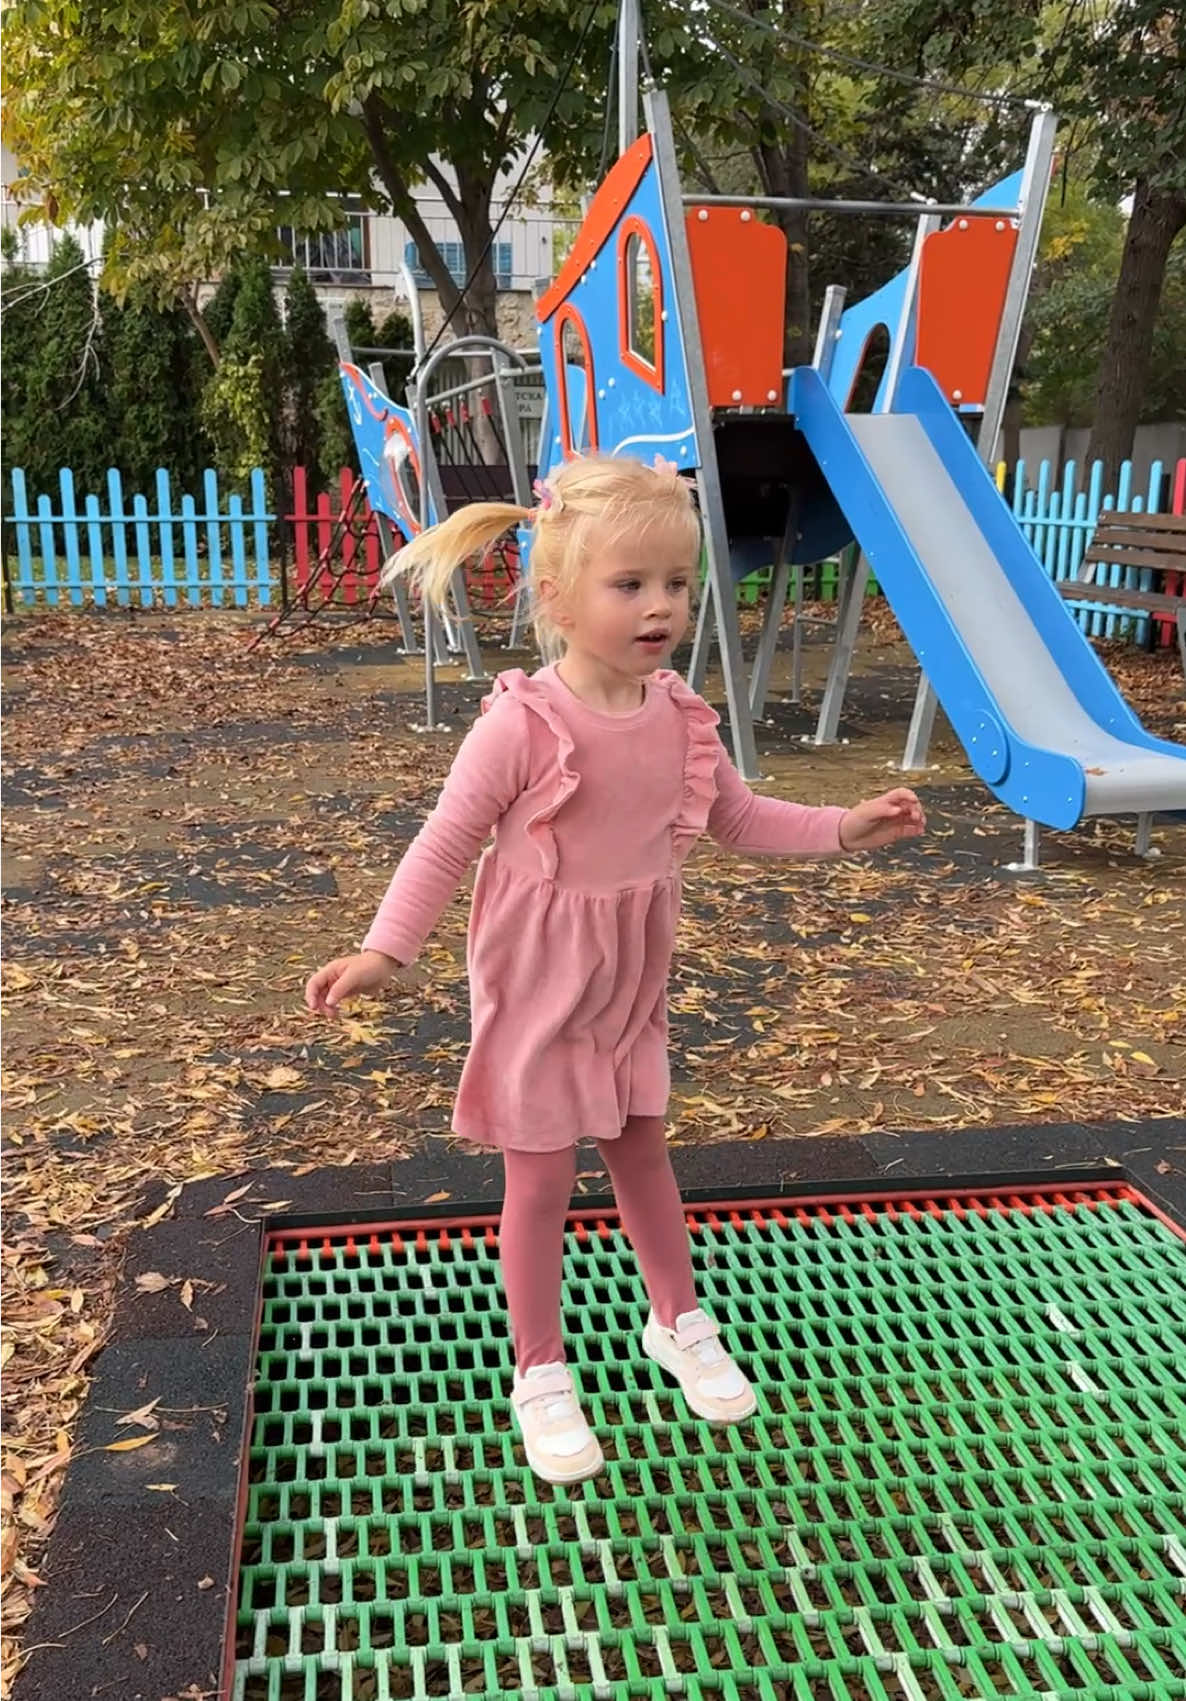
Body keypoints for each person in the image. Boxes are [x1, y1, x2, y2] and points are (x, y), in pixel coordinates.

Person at [305, 454, 925, 1485]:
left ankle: (675, 1318)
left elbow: (735, 817)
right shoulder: (522, 723)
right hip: (540, 974)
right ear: (555, 597)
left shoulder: (678, 713)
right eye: (629, 584)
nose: (660, 607)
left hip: (631, 969)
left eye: (677, 584)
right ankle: (539, 1372)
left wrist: (844, 828)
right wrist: (386, 949)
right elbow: (446, 839)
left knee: (642, 1146)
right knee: (541, 1173)